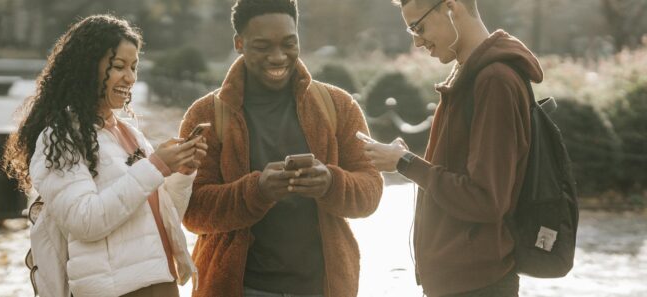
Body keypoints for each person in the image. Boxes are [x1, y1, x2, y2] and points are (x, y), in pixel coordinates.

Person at [178, 0, 384, 296]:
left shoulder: (337, 105)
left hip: (322, 286)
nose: (278, 57)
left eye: (289, 43)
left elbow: (371, 191)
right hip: (240, 287)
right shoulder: (206, 116)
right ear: (239, 43)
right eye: (262, 46)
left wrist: (330, 183)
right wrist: (257, 191)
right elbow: (192, 211)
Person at [2, 14, 206, 297]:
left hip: (161, 282)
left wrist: (181, 172)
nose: (130, 77)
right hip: (118, 290)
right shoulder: (62, 137)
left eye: (134, 67)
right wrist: (156, 166)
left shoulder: (129, 133)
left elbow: (162, 215)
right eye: (119, 66)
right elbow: (86, 221)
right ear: (88, 68)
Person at [362, 0, 542, 296]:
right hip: (460, 281)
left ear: (451, 7)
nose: (417, 41)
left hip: (477, 284)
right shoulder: (470, 74)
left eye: (418, 27)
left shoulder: (494, 80)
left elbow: (485, 198)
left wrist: (405, 162)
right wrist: (404, 159)